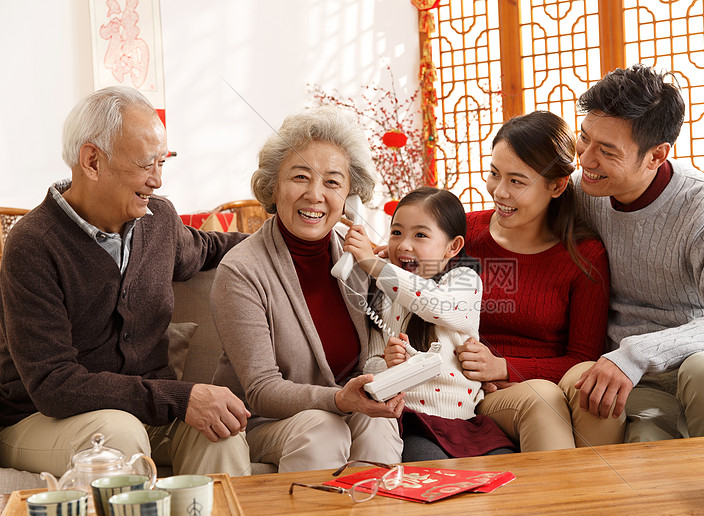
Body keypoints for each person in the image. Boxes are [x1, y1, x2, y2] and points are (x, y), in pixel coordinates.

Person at [0, 86, 251, 477]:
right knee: (118, 434)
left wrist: (288, 238)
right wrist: (180, 398)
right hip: (39, 418)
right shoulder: (33, 244)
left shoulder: (158, 222)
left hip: (145, 411)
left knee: (222, 431)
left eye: (163, 163)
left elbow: (210, 246)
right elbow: (53, 384)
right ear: (92, 161)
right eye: (146, 164)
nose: (158, 181)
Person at [570, 64, 704, 442]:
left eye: (606, 151)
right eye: (584, 139)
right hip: (644, 386)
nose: (585, 159)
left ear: (656, 155)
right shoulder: (582, 192)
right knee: (644, 451)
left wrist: (635, 353)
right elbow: (504, 221)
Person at [209, 107, 405, 473]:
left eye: (332, 182)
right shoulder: (241, 270)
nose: (315, 195)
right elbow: (262, 389)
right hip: (263, 421)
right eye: (300, 177)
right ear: (273, 186)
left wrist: (387, 372)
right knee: (323, 428)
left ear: (350, 197)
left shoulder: (356, 254)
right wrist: (340, 400)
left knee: (378, 422)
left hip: (344, 406)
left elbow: (372, 354)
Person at [455, 110, 625, 451]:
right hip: (479, 392)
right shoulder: (463, 234)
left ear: (557, 185)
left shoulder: (584, 255)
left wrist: (504, 367)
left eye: (517, 181)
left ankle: (603, 496)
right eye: (494, 174)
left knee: (593, 385)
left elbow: (581, 358)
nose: (499, 191)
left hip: (544, 381)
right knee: (542, 397)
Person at [342, 187, 515, 461]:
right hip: (412, 423)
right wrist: (387, 364)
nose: (404, 245)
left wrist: (375, 265)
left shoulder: (464, 282)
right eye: (396, 233)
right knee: (432, 472)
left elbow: (435, 304)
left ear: (453, 247)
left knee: (503, 470)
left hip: (463, 422)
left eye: (420, 235)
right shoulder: (381, 294)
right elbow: (369, 365)